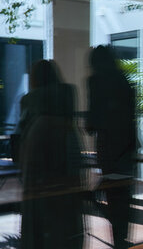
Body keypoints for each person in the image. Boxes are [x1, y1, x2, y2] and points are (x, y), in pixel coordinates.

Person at [18, 60, 84, 249]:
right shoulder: (66, 114)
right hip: (64, 190)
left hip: (40, 182)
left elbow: (25, 160)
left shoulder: (33, 107)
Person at [87, 45, 137, 248]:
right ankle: (121, 239)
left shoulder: (96, 81)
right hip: (127, 146)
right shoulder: (124, 81)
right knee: (123, 197)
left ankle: (119, 238)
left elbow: (92, 122)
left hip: (109, 147)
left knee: (108, 193)